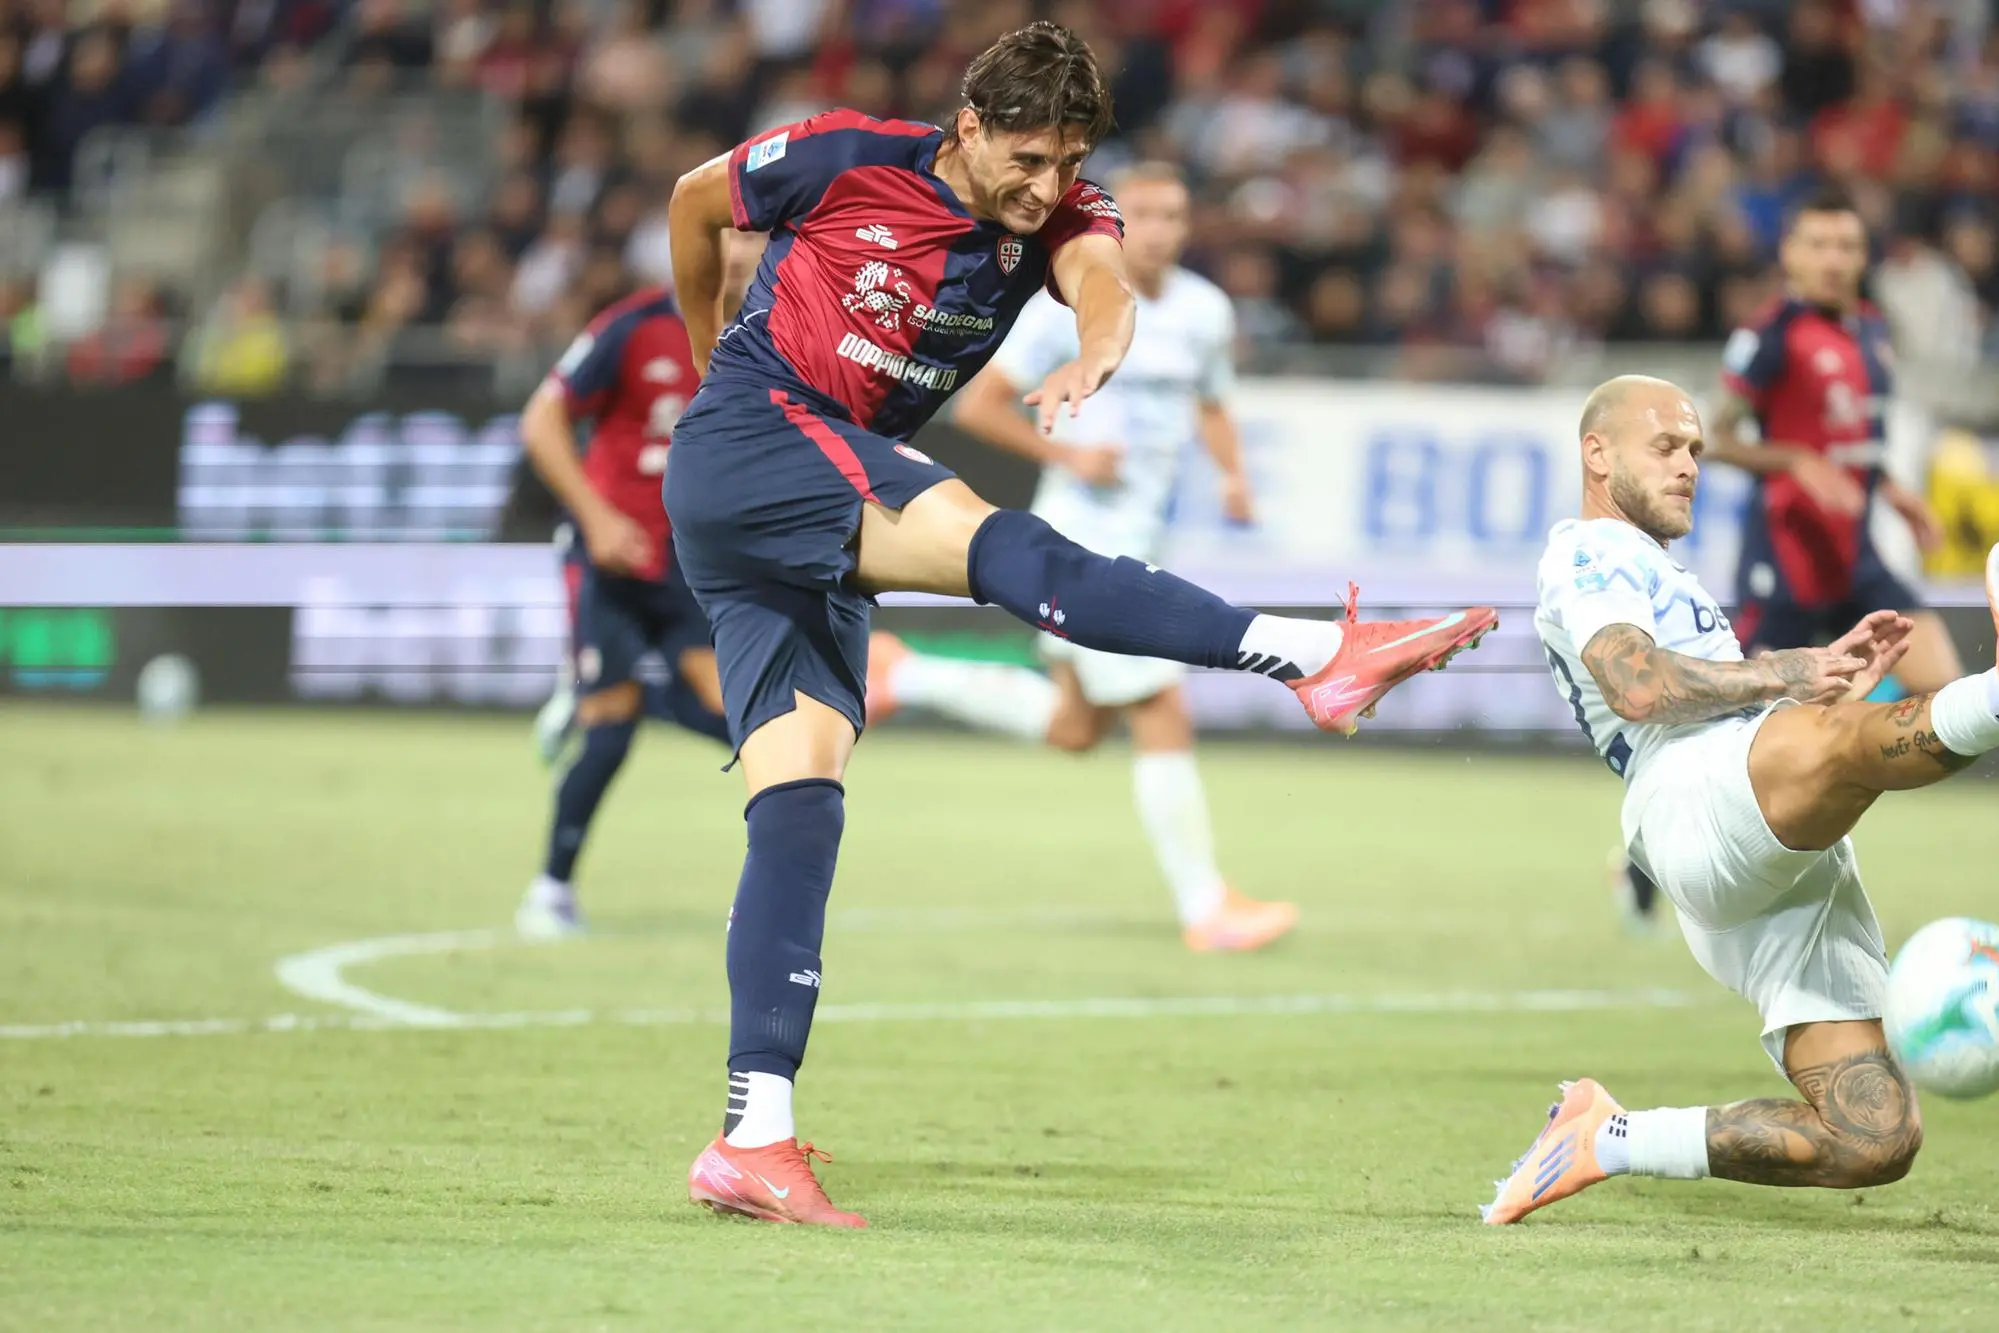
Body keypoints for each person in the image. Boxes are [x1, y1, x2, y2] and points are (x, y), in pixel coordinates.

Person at [664, 21, 1498, 1227]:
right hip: (757, 438)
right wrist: (708, 358)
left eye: (1065, 163)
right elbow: (698, 203)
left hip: (780, 507)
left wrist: (1094, 359)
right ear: (967, 126)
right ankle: (1315, 653)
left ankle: (754, 1134)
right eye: (1025, 159)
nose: (1044, 188)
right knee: (1013, 549)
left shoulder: (1065, 217)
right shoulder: (846, 157)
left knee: (799, 807)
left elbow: (1103, 293)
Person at [1488, 374, 1999, 1225]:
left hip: (1755, 852)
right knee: (1842, 743)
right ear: (1596, 452)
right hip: (1690, 797)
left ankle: (1605, 1136)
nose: (1689, 464)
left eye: (1694, 448)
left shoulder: (1652, 563)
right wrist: (1785, 676)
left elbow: (1712, 692)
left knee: (1870, 1133)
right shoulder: (1590, 551)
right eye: (1665, 446)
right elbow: (1637, 685)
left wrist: (1812, 687)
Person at [867, 160, 1296, 953]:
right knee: (1161, 706)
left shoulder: (1205, 311)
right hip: (1080, 538)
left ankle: (904, 673)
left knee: (1074, 726)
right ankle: (1205, 906)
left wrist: (1232, 474)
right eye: (1143, 215)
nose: (1159, 230)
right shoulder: (1062, 305)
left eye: (1172, 215)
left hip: (1144, 533)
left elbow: (1211, 402)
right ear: (1114, 221)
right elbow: (980, 406)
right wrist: (1068, 459)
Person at [1611, 188, 1962, 932]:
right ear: (1790, 254)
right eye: (1818, 245)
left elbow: (1855, 444)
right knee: (1751, 725)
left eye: (1846, 246)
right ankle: (1649, 850)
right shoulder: (1771, 332)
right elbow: (1716, 431)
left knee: (1944, 687)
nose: (1833, 260)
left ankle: (1834, 775)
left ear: (1862, 256)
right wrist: (1794, 460)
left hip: (1857, 550)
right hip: (1788, 554)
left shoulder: (1868, 328)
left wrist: (1893, 491)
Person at [513, 286, 733, 940]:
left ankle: (604, 694)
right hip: (612, 555)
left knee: (751, 728)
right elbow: (540, 419)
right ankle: (549, 890)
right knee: (609, 732)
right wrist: (597, 517)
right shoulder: (634, 325)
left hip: (693, 561)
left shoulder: (777, 322)